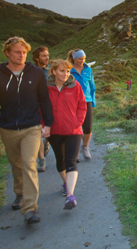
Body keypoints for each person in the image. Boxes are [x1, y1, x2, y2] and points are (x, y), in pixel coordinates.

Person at [0, 36, 53, 224]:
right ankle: (20, 193)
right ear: (7, 53)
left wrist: (48, 124)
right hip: (8, 128)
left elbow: (44, 99)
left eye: (24, 52)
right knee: (17, 164)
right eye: (17, 52)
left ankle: (30, 208)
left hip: (32, 127)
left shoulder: (36, 73)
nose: (21, 55)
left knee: (29, 164)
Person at [46, 59, 87, 209]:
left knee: (71, 162)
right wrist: (44, 126)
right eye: (62, 71)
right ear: (54, 71)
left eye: (68, 71)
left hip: (73, 131)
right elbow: (40, 108)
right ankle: (65, 182)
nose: (65, 74)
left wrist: (77, 123)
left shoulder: (74, 86)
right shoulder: (46, 88)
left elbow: (82, 106)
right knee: (60, 160)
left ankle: (70, 195)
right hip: (54, 131)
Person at [67, 49, 96, 160]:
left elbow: (92, 86)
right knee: (75, 126)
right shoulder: (69, 70)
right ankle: (75, 151)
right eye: (80, 59)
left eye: (84, 59)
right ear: (74, 59)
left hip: (87, 100)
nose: (82, 61)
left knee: (87, 127)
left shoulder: (88, 69)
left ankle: (85, 147)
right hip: (73, 101)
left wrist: (93, 102)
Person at [32, 46, 50, 172]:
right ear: (36, 58)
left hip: (50, 105)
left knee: (51, 129)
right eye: (44, 56)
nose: (47, 58)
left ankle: (47, 140)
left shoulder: (51, 72)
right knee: (37, 131)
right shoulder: (30, 72)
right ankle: (41, 159)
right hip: (35, 106)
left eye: (47, 55)